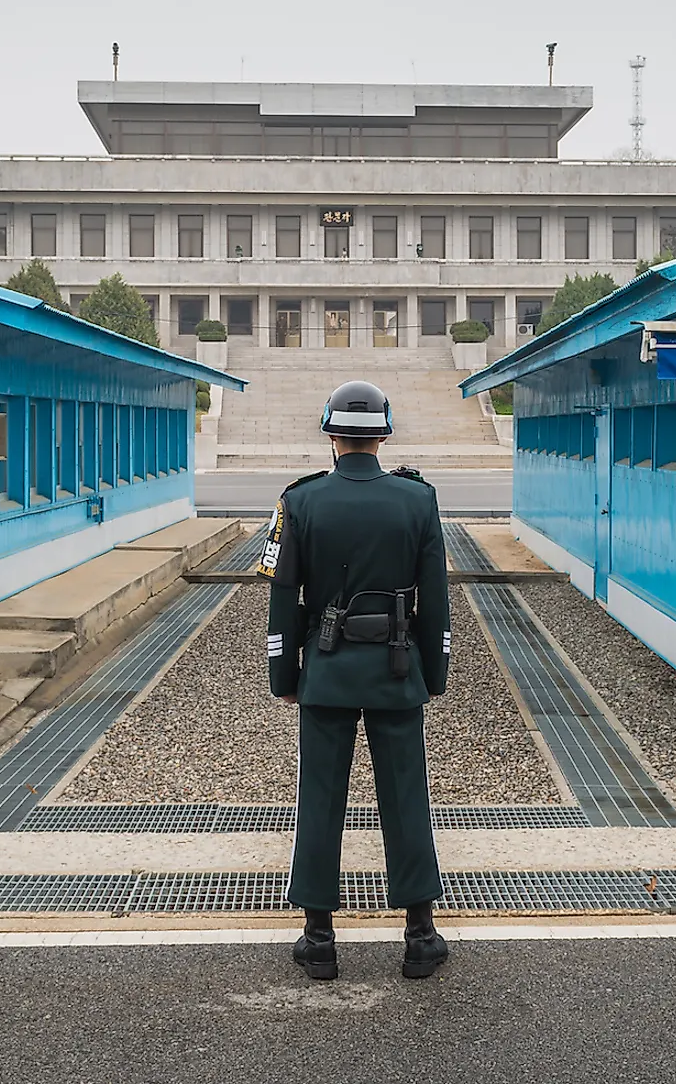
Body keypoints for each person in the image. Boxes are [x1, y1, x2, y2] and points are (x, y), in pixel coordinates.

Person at [265, 379, 451, 982]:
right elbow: (438, 599)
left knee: (320, 798)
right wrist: (434, 672)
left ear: (330, 432)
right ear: (385, 433)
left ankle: (319, 938)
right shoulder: (419, 501)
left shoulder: (301, 502)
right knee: (407, 796)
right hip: (397, 669)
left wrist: (283, 674)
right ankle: (419, 936)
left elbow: (283, 595)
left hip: (326, 667)